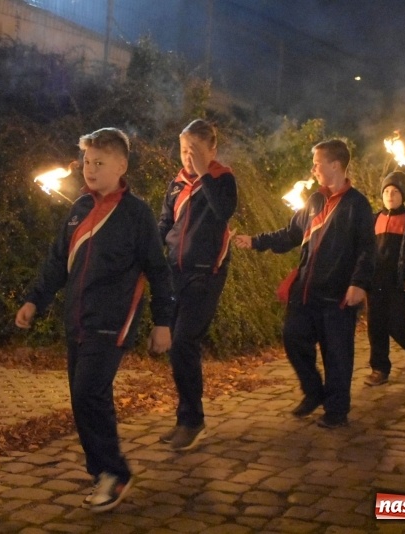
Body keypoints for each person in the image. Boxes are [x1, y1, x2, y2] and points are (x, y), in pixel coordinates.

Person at [15, 128, 173, 513]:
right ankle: (103, 471)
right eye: (87, 161)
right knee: (84, 399)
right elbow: (57, 261)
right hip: (78, 321)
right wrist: (34, 300)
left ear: (121, 166)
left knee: (89, 394)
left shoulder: (136, 214)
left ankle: (113, 473)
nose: (90, 169)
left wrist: (163, 322)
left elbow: (158, 270)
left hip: (113, 321)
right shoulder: (79, 209)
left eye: (100, 163)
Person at [235, 139, 375, 429]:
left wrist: (358, 283)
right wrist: (254, 241)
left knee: (337, 354)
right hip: (306, 292)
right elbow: (290, 234)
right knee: (293, 337)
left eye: (317, 162)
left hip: (337, 296)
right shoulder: (314, 201)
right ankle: (314, 392)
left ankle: (336, 412)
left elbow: (367, 249)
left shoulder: (357, 205)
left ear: (335, 165)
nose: (313, 168)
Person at [157, 119, 237, 451]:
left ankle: (194, 421)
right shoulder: (176, 183)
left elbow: (224, 210)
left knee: (183, 342)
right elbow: (165, 222)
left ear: (211, 150)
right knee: (178, 347)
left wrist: (205, 170)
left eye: (196, 151)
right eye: (184, 150)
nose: (188, 157)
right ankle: (185, 418)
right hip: (176, 272)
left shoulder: (221, 179)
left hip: (206, 273)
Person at [364, 171, 405, 386]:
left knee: (397, 325)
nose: (390, 195)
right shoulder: (373, 220)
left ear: (403, 195)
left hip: (399, 284)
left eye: (394, 191)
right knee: (376, 327)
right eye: (386, 191)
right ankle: (379, 369)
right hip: (375, 285)